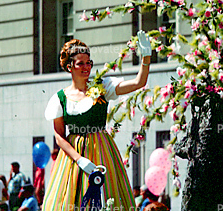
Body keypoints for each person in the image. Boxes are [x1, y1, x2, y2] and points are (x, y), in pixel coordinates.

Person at [42, 32, 152, 210]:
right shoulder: (59, 98)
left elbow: (139, 83)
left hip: (101, 148)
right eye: (80, 63)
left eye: (88, 63)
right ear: (70, 67)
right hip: (74, 157)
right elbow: (59, 136)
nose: (86, 67)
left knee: (108, 195)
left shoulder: (102, 87)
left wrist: (146, 58)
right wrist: (79, 160)